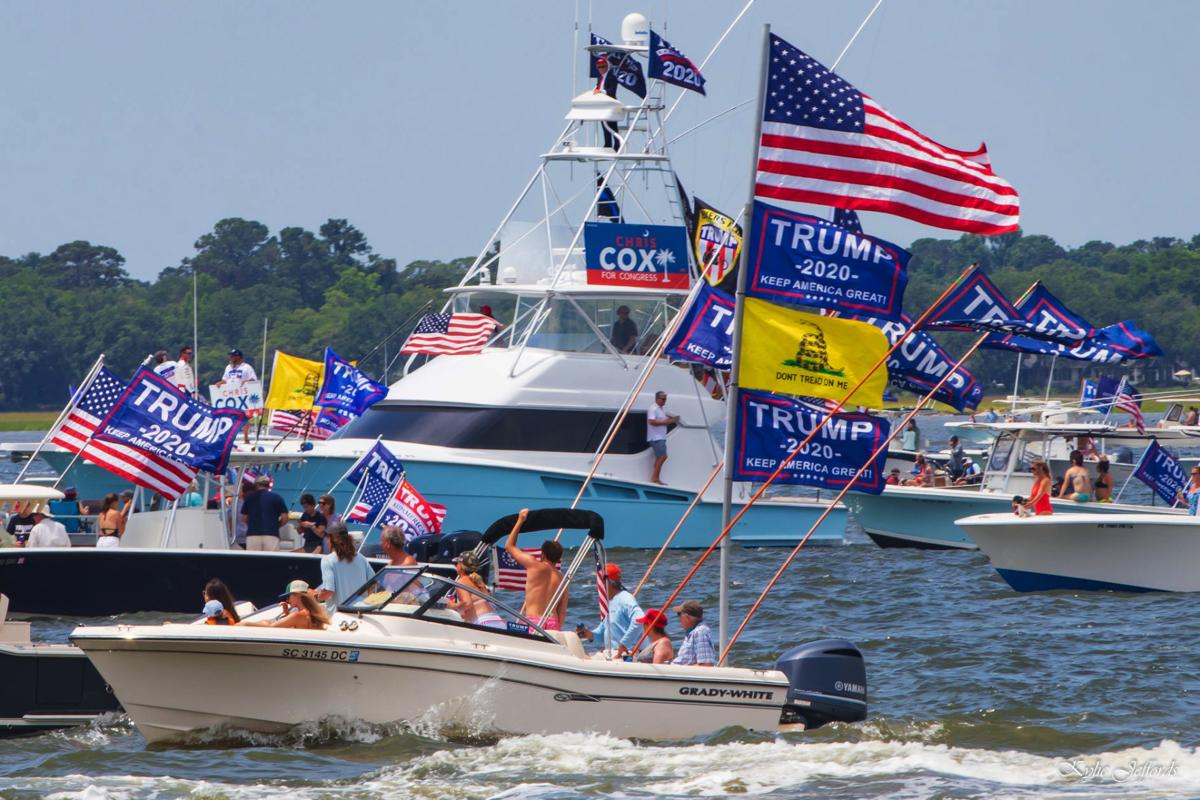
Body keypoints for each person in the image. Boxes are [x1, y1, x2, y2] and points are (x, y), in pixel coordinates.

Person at [505, 508, 567, 630]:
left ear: (542, 554)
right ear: (558, 558)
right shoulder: (562, 579)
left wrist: (520, 520)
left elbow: (509, 546)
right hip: (553, 623)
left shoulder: (534, 565)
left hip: (533, 621)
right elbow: (562, 612)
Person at [576, 563, 644, 656]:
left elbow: (640, 620)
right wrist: (587, 634)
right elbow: (601, 635)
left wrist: (624, 644)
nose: (597, 583)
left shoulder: (625, 598)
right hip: (614, 654)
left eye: (599, 579)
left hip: (629, 654)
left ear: (607, 581)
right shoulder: (609, 603)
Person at [317, 521, 376, 610]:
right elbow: (373, 584)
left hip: (339, 617)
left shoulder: (327, 560)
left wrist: (316, 597)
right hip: (361, 614)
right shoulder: (362, 558)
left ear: (331, 539)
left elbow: (329, 591)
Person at [448, 552, 506, 629]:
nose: (456, 566)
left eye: (457, 564)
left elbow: (466, 604)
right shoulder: (479, 581)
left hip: (483, 623)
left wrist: (452, 605)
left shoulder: (461, 581)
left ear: (460, 567)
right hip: (497, 621)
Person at [242, 580, 330, 629]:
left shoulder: (299, 615)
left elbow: (270, 628)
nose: (287, 600)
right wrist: (287, 613)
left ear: (298, 595)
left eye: (288, 596)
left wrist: (245, 625)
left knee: (264, 622)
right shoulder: (313, 614)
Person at [240, 475, 288, 551]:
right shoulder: (277, 498)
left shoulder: (249, 498)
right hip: (271, 535)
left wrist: (253, 525)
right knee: (271, 561)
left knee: (253, 561)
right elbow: (285, 518)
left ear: (256, 485)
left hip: (253, 535)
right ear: (268, 485)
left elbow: (244, 518)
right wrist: (277, 525)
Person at [647, 391, 680, 486]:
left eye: (665, 399)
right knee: (663, 457)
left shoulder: (661, 409)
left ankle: (656, 478)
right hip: (656, 438)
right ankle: (655, 478)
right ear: (657, 399)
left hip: (660, 437)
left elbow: (661, 419)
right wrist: (669, 422)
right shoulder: (653, 408)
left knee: (659, 457)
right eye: (663, 399)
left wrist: (671, 419)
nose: (664, 401)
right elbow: (651, 422)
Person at [671, 600, 716, 666]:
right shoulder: (693, 632)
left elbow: (706, 665)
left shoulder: (700, 632)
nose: (678, 618)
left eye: (679, 614)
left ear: (687, 617)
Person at [593, 55, 620, 149]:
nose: (601, 69)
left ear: (607, 66)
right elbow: (598, 88)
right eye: (599, 67)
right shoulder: (600, 78)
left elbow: (612, 91)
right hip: (602, 105)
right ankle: (608, 144)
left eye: (603, 66)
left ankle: (617, 145)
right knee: (604, 125)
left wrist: (601, 92)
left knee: (612, 126)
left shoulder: (611, 77)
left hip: (611, 105)